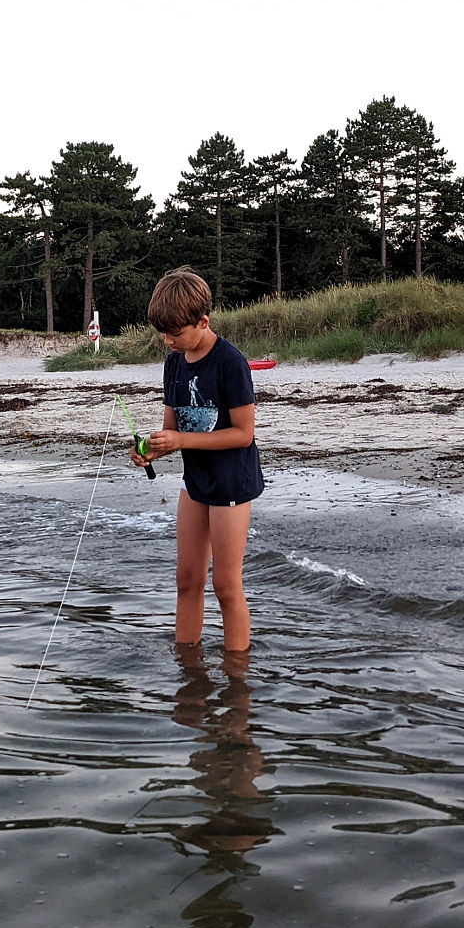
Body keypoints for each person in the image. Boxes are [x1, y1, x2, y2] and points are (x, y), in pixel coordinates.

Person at [133, 267, 264, 652]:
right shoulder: (173, 362)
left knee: (225, 585)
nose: (167, 340)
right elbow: (170, 428)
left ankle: (236, 676)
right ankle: (187, 667)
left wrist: (180, 440)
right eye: (163, 332)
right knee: (187, 579)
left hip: (232, 483)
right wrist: (150, 449)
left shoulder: (229, 362)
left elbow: (243, 433)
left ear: (202, 321)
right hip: (196, 482)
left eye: (175, 333)